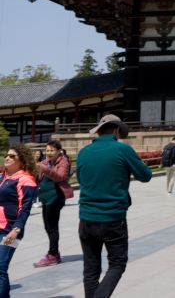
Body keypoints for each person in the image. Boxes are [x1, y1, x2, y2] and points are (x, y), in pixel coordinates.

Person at [77, 114, 152, 298]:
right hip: (112, 217)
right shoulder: (122, 150)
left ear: (99, 130)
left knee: (91, 269)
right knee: (117, 264)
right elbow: (145, 176)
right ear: (117, 130)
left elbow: (81, 179)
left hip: (86, 218)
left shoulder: (84, 152)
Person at [0, 144, 37, 298]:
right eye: (7, 155)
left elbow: (25, 209)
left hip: (11, 231)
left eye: (12, 156)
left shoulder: (26, 180)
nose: (8, 157)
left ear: (21, 160)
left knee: (0, 267)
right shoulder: (3, 177)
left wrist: (16, 229)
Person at [34, 139, 74, 268]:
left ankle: (53, 254)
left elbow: (61, 177)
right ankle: (54, 253)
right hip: (46, 198)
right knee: (48, 226)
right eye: (47, 150)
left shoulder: (63, 162)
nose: (49, 153)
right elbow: (39, 177)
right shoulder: (45, 162)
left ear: (58, 151)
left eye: (52, 150)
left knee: (52, 226)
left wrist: (44, 169)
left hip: (56, 198)